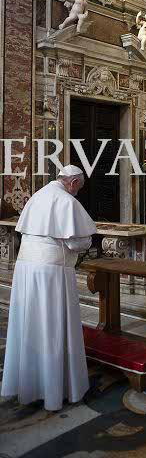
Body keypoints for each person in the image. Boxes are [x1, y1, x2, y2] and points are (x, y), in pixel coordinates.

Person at [1, 165, 97, 411]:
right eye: (78, 188)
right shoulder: (65, 201)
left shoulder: (37, 196)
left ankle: (28, 384)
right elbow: (78, 242)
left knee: (29, 324)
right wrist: (86, 241)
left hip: (26, 268)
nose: (77, 193)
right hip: (51, 272)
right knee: (52, 326)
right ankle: (54, 389)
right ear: (73, 183)